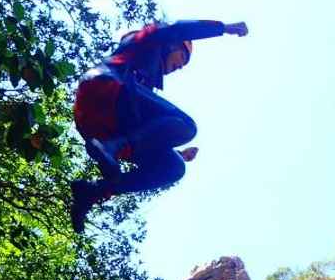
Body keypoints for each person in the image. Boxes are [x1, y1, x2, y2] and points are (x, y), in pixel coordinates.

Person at [69, 18, 248, 232]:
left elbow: (148, 133)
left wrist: (178, 153)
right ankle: (112, 146)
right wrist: (224, 28)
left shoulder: (144, 83)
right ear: (172, 45)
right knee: (186, 126)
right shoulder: (146, 41)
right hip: (104, 88)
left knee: (173, 168)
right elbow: (178, 28)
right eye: (183, 57)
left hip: (102, 125)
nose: (180, 67)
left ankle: (94, 191)